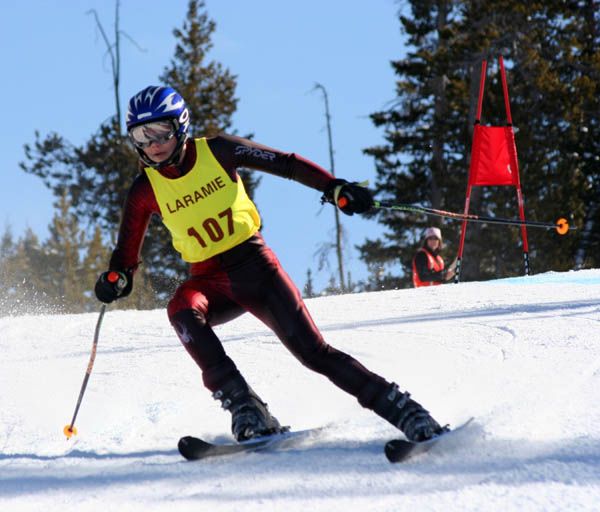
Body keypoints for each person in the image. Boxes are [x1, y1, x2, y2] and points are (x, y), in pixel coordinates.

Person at [95, 85, 447, 443]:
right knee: (181, 308)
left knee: (314, 354)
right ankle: (246, 407)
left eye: (161, 131)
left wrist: (335, 187)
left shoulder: (218, 151)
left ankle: (407, 411)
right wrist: (116, 278)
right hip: (210, 281)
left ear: (181, 125)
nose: (153, 143)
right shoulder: (145, 188)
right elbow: (125, 258)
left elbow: (287, 164)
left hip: (256, 269)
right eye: (142, 135)